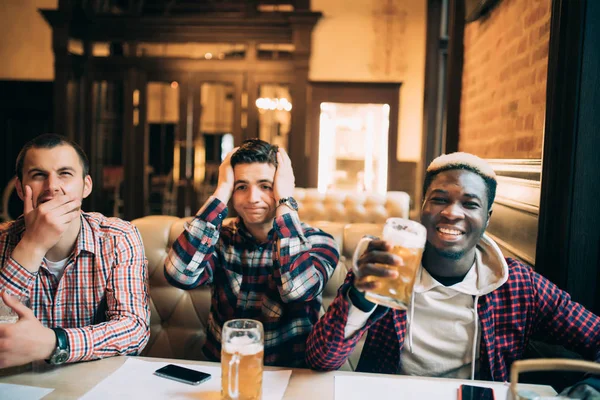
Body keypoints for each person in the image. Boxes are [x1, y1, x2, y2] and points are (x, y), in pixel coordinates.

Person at [306, 152, 600, 382]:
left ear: (487, 218)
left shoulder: (519, 284)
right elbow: (320, 358)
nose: (451, 213)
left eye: (470, 204)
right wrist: (359, 298)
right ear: (422, 207)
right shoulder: (385, 268)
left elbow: (594, 334)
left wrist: (591, 387)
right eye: (439, 200)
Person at [164, 138, 339, 367]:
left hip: (291, 373)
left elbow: (297, 290)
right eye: (241, 187)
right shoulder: (218, 238)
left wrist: (285, 201)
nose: (252, 198)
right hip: (224, 368)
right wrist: (221, 190)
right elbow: (179, 274)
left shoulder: (319, 241)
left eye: (266, 186)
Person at [0, 134, 150, 368]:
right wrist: (33, 245)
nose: (52, 187)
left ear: (86, 186)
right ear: (20, 188)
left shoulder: (117, 236)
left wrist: (54, 343)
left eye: (65, 174)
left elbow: (134, 330)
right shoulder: (3, 239)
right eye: (39, 175)